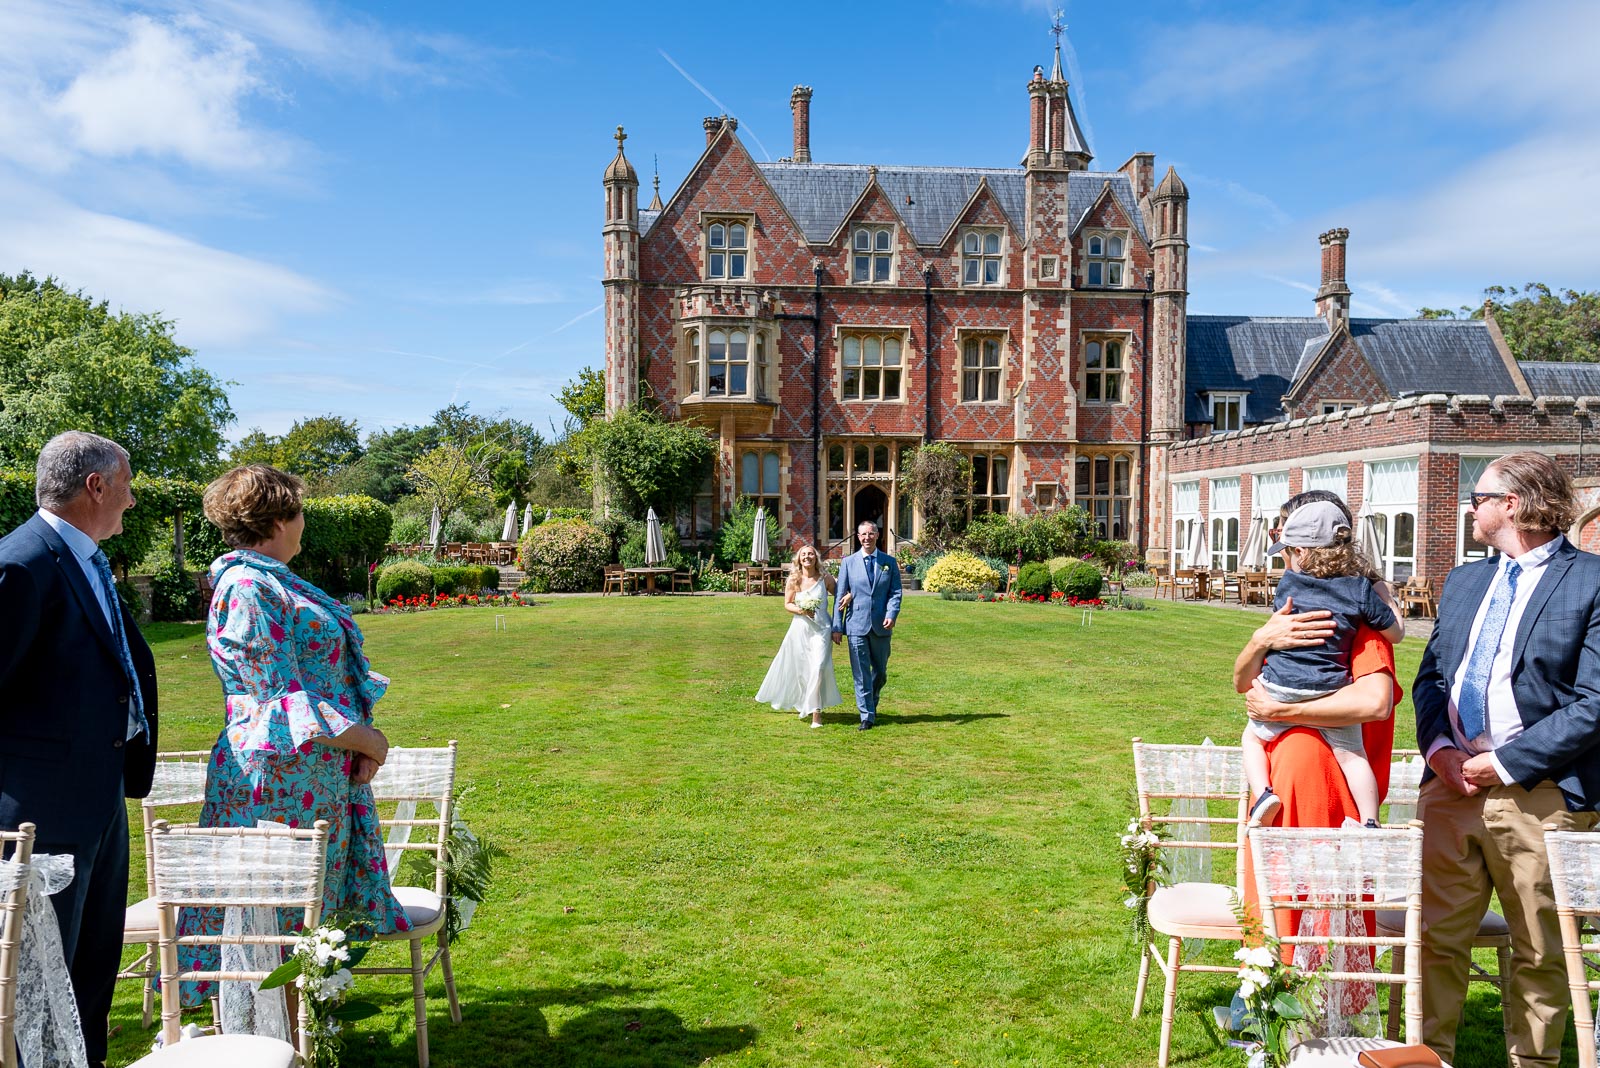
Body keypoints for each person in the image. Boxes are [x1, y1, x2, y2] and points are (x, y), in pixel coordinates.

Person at [176, 464, 409, 1005]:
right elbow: (278, 699)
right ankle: (264, 1041)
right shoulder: (248, 586)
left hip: (309, 783)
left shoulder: (268, 578)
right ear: (279, 517)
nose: (303, 523)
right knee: (274, 926)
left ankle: (298, 1040)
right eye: (300, 511)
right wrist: (365, 741)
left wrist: (358, 741)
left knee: (304, 927)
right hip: (277, 788)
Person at [1413, 451, 1600, 1067]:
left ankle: (1534, 1063)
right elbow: (1431, 678)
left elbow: (1595, 702)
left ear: (1512, 504)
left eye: (1479, 495)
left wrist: (1507, 763)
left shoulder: (1591, 581)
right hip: (1450, 790)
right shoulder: (1466, 580)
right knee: (1433, 941)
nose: (1471, 505)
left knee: (1541, 947)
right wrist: (1440, 750)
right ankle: (1422, 1057)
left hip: (1539, 794)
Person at [0, 431, 158, 1067]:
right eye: (126, 485)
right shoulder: (22, 563)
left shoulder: (84, 557)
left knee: (92, 966)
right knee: (40, 979)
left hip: (99, 796)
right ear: (96, 486)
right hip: (40, 810)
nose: (132, 499)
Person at [1241, 500, 1404, 828]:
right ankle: (1371, 822)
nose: (1283, 558)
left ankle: (1262, 794)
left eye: (1284, 545)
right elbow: (1241, 683)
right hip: (1297, 766)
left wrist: (1280, 711)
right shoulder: (1358, 595)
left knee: (1251, 738)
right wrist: (1259, 640)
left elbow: (1376, 702)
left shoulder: (1289, 590)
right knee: (1352, 755)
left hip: (1315, 783)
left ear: (1301, 551)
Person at [754, 544, 844, 727]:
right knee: (803, 670)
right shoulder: (794, 579)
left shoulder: (825, 578)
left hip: (822, 629)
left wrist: (839, 620)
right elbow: (787, 604)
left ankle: (816, 713)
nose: (807, 557)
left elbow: (839, 598)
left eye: (811, 554)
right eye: (804, 554)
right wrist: (801, 610)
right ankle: (805, 702)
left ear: (816, 558)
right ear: (799, 558)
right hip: (800, 630)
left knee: (818, 668)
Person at [831, 520, 902, 731]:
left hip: (881, 626)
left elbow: (895, 592)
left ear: (877, 535)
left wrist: (892, 614)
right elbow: (839, 596)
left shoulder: (889, 562)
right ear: (858, 537)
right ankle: (867, 715)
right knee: (861, 673)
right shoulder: (848, 563)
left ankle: (871, 700)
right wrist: (837, 626)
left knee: (880, 672)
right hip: (856, 625)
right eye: (863, 534)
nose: (867, 538)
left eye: (871, 534)